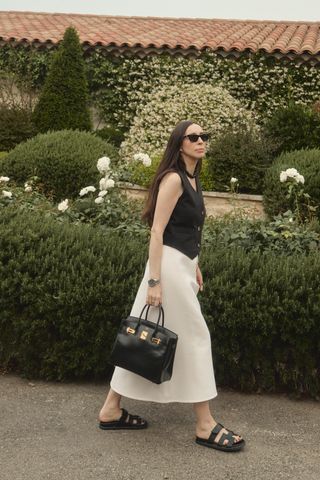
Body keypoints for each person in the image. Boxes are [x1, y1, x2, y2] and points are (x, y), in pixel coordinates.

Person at [98, 120, 245, 452]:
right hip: (167, 269)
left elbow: (188, 229)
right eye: (193, 137)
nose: (200, 141)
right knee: (195, 337)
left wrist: (196, 264)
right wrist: (154, 280)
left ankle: (110, 408)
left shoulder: (193, 178)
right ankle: (205, 425)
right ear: (179, 144)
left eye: (203, 136)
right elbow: (156, 230)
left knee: (142, 337)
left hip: (182, 267)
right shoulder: (174, 179)